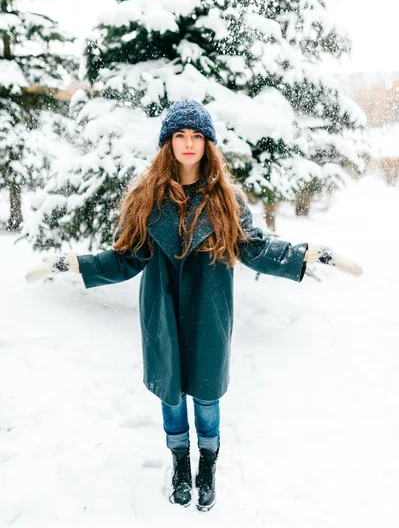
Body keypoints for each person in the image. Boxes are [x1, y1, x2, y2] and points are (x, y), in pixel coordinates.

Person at [25, 99, 363, 512]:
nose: (188, 144)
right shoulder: (146, 197)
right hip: (162, 313)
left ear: (208, 144)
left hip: (209, 312)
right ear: (168, 143)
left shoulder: (226, 199)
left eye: (196, 136)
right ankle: (180, 463)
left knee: (206, 397)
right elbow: (126, 257)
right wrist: (73, 263)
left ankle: (208, 465)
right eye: (180, 136)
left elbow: (253, 249)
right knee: (170, 397)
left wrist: (308, 254)